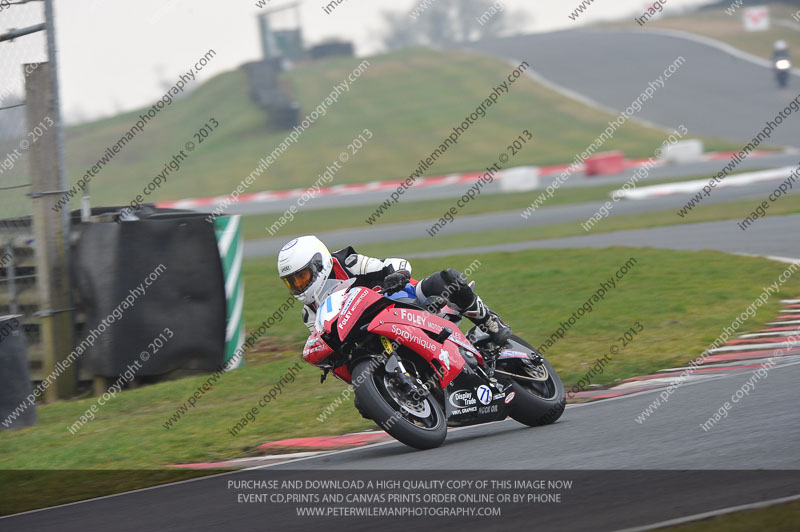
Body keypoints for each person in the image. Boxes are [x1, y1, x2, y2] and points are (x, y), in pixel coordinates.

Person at [277, 235, 511, 345]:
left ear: (319, 264)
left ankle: (489, 320)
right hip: (372, 336)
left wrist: (396, 276)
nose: (299, 285)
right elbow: (326, 342)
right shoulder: (310, 314)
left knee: (446, 279)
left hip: (404, 300)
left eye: (302, 276)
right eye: (292, 282)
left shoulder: (347, 262)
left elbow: (396, 263)